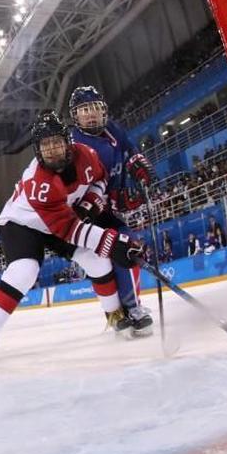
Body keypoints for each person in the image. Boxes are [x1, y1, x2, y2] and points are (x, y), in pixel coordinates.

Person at [0, 111, 144, 365]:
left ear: (68, 141)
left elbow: (100, 179)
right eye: (45, 145)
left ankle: (114, 314)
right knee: (24, 270)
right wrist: (114, 244)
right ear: (37, 150)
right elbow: (70, 230)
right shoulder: (39, 182)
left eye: (56, 141)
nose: (52, 149)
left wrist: (92, 200)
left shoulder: (87, 155)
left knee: (96, 260)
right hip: (22, 223)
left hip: (61, 217)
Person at [68, 86, 155, 336]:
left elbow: (130, 150)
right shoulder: (76, 144)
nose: (91, 114)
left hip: (105, 206)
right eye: (85, 110)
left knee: (129, 244)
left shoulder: (113, 129)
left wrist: (137, 163)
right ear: (76, 116)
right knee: (106, 257)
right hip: (83, 212)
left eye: (95, 108)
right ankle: (116, 313)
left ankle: (133, 307)